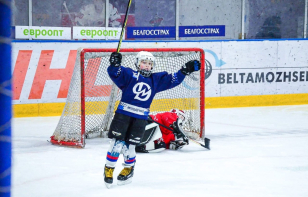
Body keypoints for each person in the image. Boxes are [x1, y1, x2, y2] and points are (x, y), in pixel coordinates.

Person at [104, 51, 201, 188]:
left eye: (150, 64)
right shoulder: (129, 75)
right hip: (123, 115)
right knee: (117, 144)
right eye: (144, 62)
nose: (147, 66)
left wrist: (185, 70)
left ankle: (129, 169)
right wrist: (115, 64)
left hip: (140, 118)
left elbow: (173, 79)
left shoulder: (156, 80)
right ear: (138, 63)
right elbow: (115, 73)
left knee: (130, 146)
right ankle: (109, 168)